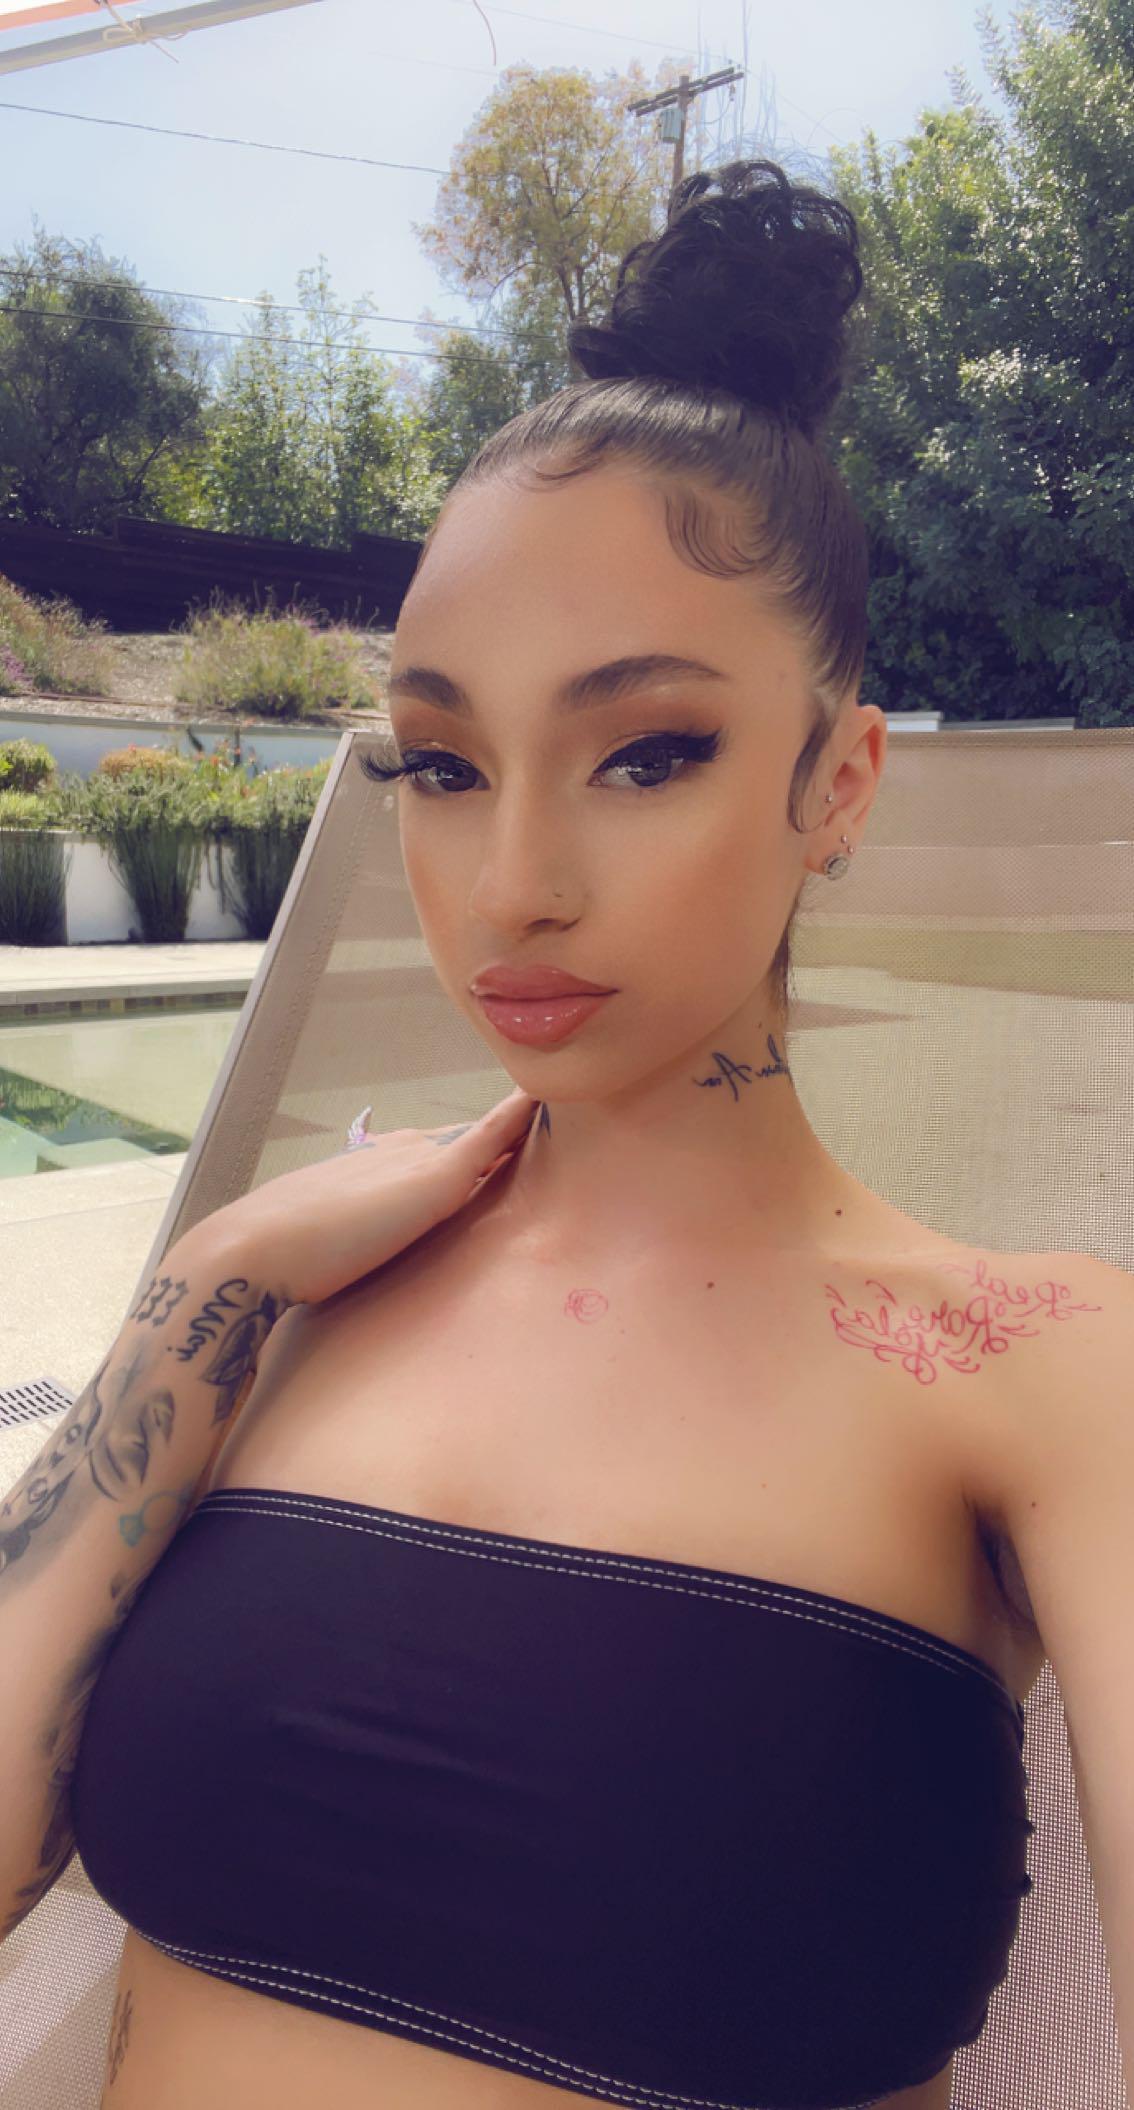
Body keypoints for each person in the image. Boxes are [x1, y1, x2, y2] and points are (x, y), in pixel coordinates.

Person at [5, 158, 1072, 2110]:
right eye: (441, 761)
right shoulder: (288, 1302)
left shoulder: (1040, 1366)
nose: (511, 885)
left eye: (646, 751)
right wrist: (204, 1289)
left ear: (839, 781)